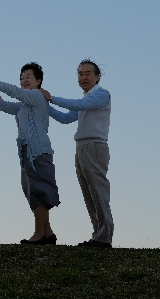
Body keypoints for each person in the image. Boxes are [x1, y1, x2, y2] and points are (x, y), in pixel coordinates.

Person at [0, 63, 59, 245]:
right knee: (32, 190)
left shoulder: (37, 96)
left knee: (39, 191)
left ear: (38, 81)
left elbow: (17, 92)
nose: (24, 80)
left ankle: (39, 234)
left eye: (28, 77)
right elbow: (2, 105)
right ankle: (47, 232)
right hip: (27, 152)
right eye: (22, 77)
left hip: (38, 151)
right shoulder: (24, 105)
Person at [39, 59, 113, 248]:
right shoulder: (84, 100)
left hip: (95, 147)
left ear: (97, 77)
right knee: (89, 193)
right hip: (81, 147)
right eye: (80, 74)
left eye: (88, 73)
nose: (84, 77)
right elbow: (65, 118)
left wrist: (51, 98)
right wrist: (43, 105)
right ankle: (97, 235)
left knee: (98, 191)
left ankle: (104, 237)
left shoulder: (101, 95)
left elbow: (78, 105)